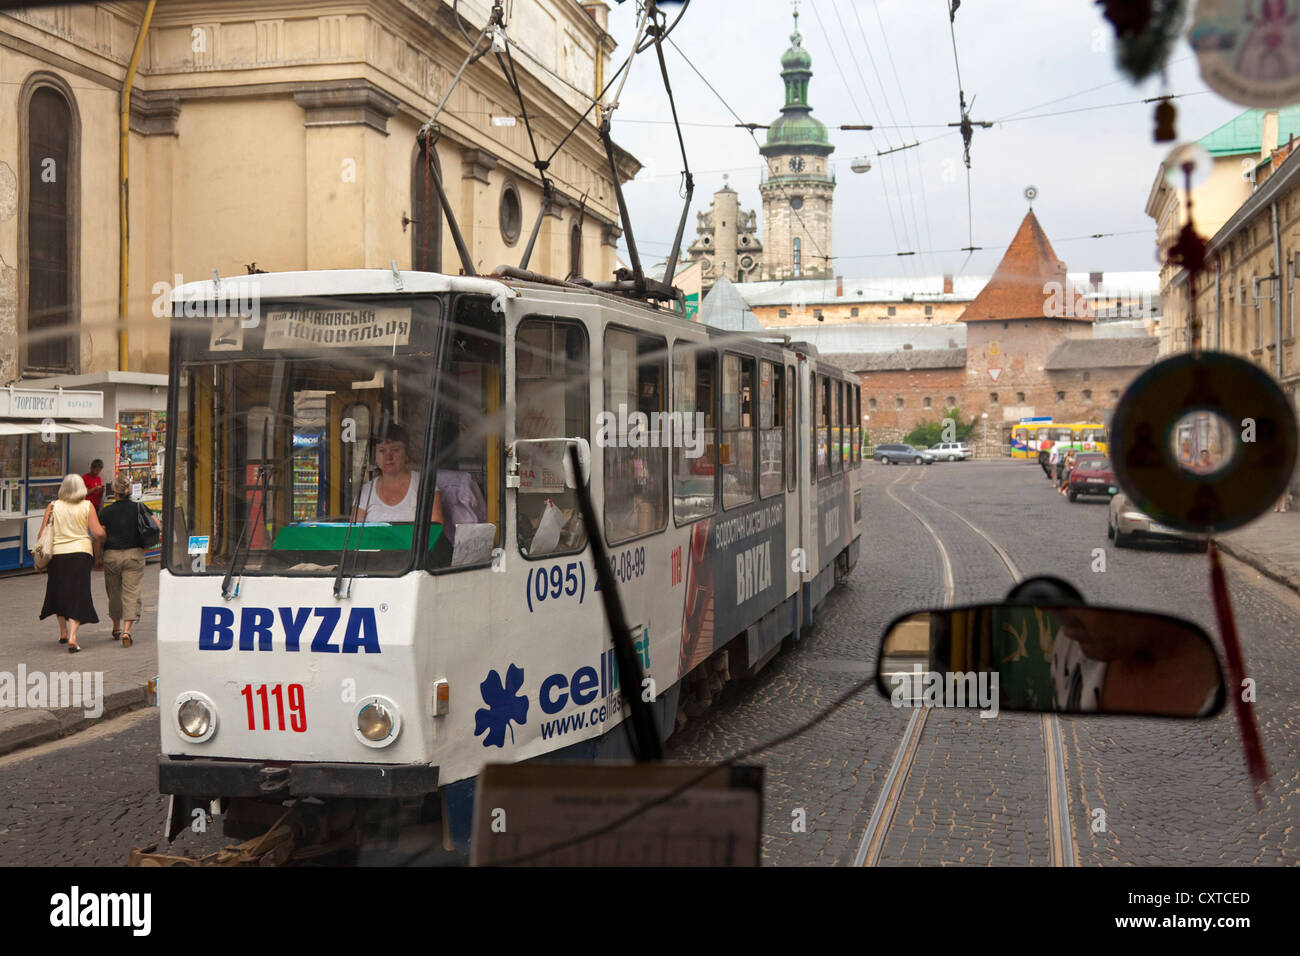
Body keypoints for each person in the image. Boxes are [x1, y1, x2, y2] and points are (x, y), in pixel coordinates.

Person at [37, 474, 106, 653]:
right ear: (82, 488)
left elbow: (42, 535)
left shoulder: (53, 506)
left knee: (58, 592)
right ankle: (73, 637)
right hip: (80, 555)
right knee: (78, 593)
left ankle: (62, 632)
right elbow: (97, 533)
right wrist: (104, 534)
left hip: (57, 555)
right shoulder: (87, 506)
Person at [353, 424, 444, 526]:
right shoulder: (365, 492)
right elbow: (354, 534)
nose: (388, 457)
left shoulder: (425, 486)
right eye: (382, 451)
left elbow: (434, 531)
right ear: (374, 457)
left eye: (395, 450)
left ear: (406, 455)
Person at [98, 473, 148, 648]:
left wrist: (98, 556)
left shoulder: (106, 512)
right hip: (134, 554)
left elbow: (100, 536)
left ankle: (116, 627)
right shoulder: (139, 508)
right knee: (131, 592)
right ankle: (127, 631)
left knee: (114, 593)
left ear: (115, 491)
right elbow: (156, 524)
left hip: (112, 555)